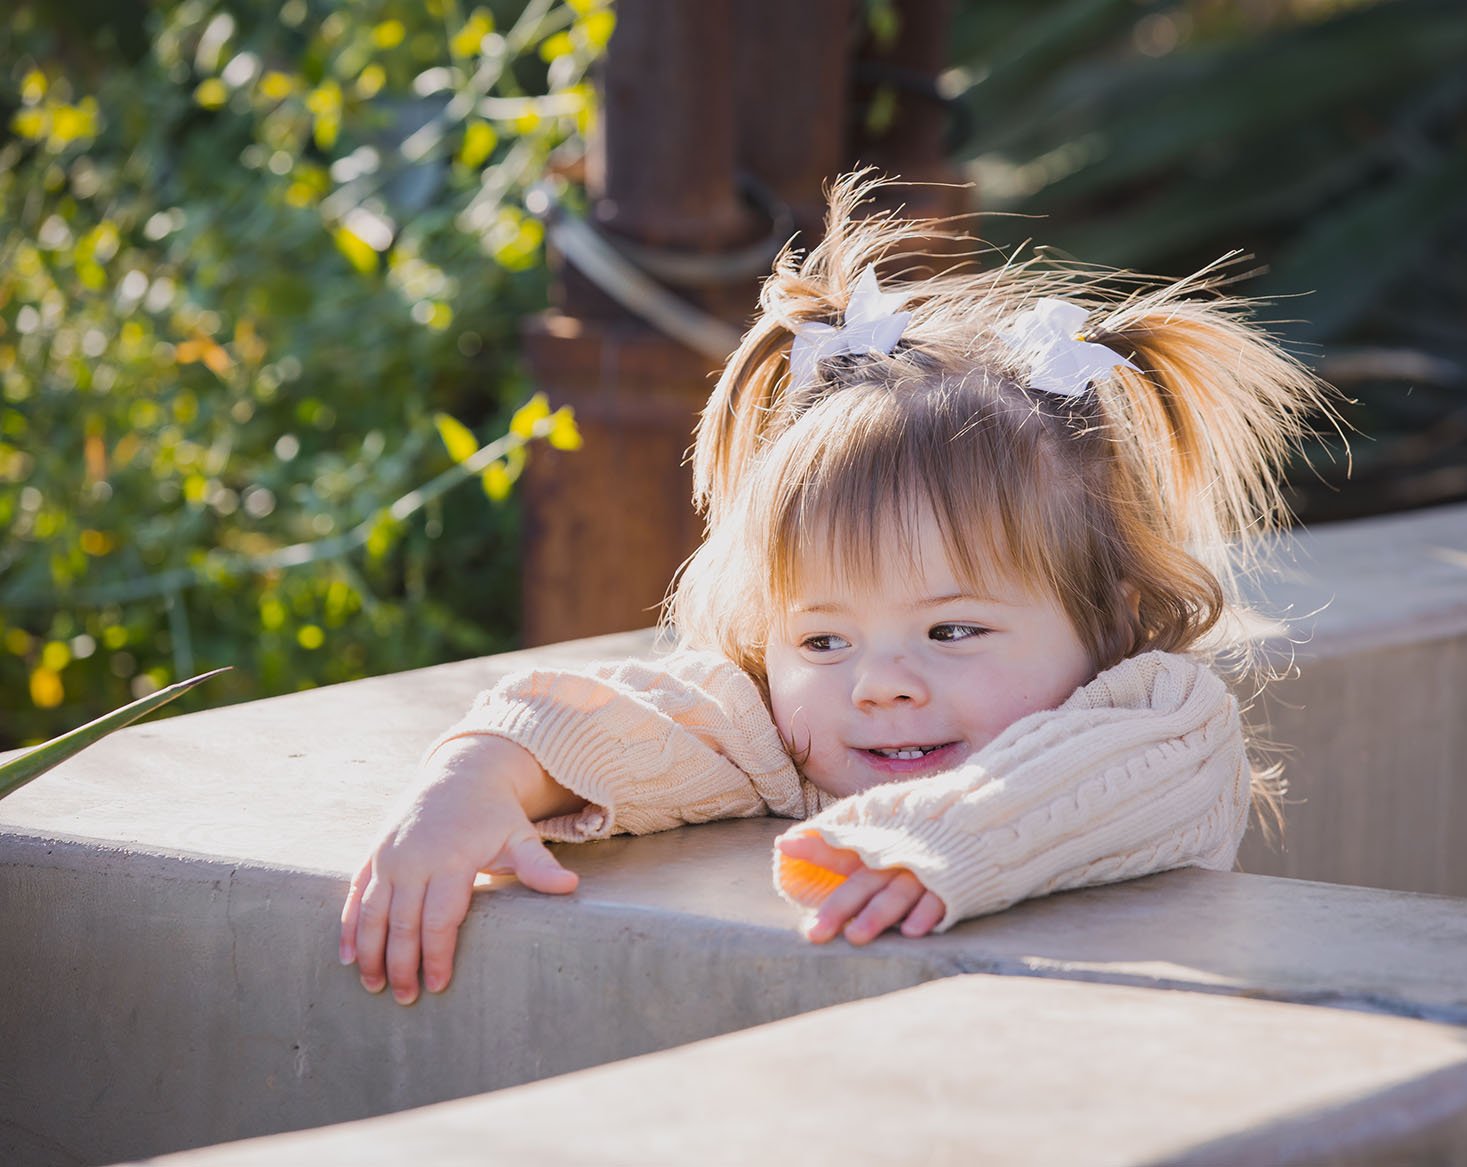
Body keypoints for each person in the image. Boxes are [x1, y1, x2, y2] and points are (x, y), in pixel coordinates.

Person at [339, 171, 1330, 1005]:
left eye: (950, 631)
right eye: (822, 640)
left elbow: (1090, 790)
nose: (878, 684)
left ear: (1105, 619)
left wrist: (936, 844)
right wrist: (478, 777)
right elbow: (650, 719)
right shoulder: (792, 734)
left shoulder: (1165, 723)